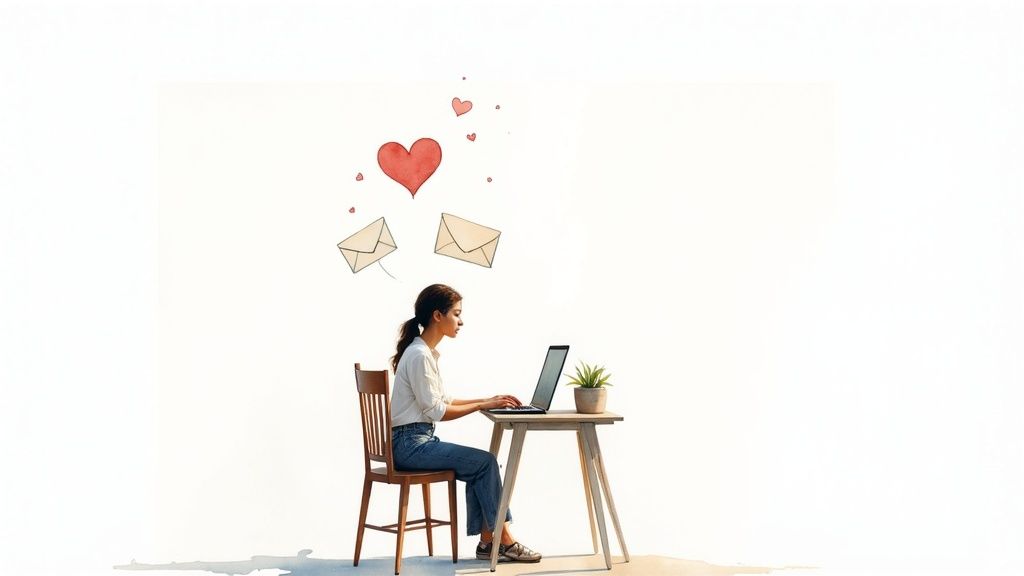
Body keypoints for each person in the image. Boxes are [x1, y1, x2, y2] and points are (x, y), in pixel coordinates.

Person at [390, 284, 542, 563]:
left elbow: (443, 399)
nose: (461, 321)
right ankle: (504, 539)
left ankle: (488, 542)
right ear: (438, 315)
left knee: (479, 464)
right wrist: (482, 406)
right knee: (484, 462)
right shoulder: (420, 355)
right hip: (411, 445)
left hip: (411, 441)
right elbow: (437, 411)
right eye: (457, 314)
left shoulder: (422, 352)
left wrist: (488, 399)